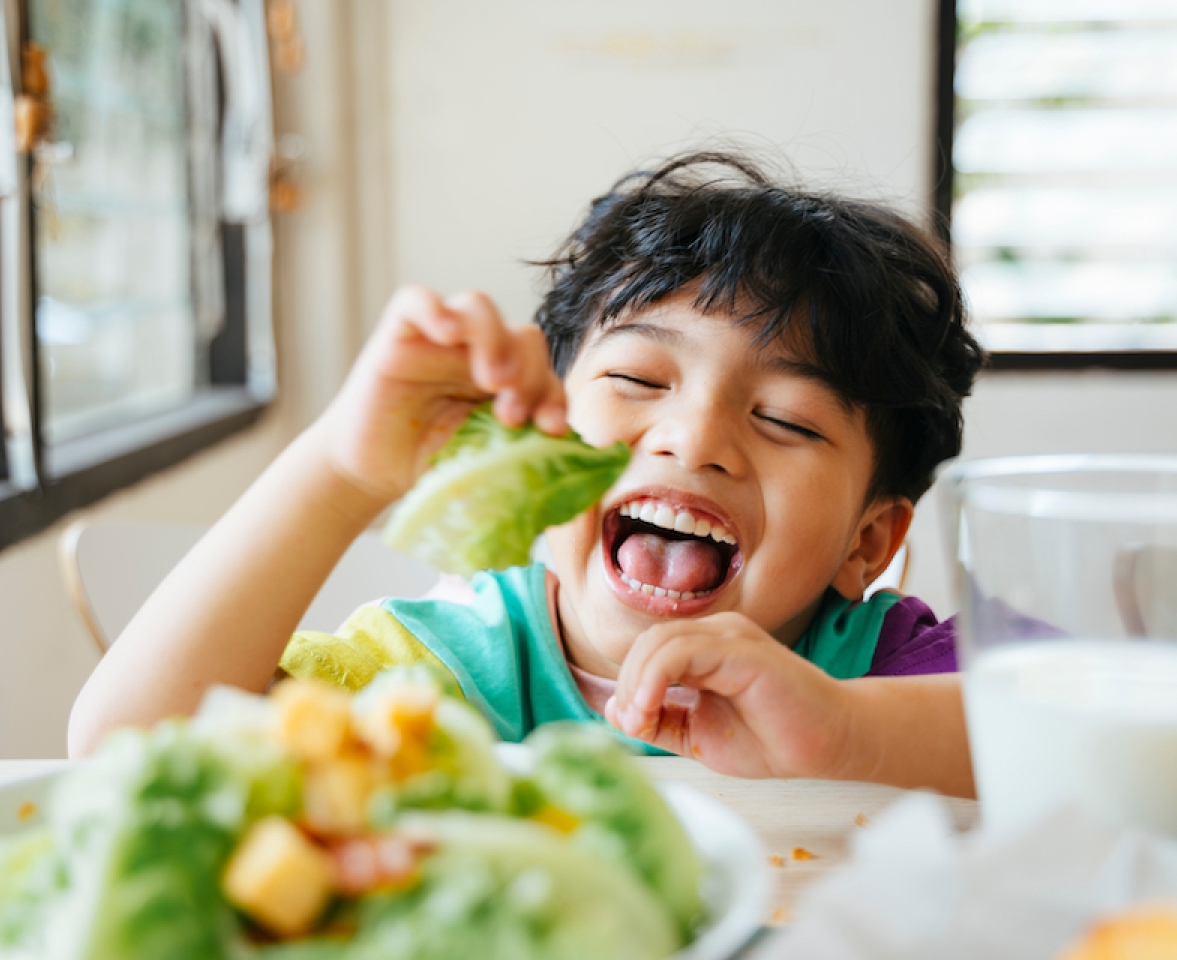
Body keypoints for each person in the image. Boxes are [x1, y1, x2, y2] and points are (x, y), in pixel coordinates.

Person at [68, 152, 985, 797]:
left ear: (868, 541)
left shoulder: (882, 674)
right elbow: (126, 752)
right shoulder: (442, 676)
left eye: (785, 419)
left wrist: (844, 732)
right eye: (636, 378)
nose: (691, 439)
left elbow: (1087, 742)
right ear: (542, 425)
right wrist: (339, 473)